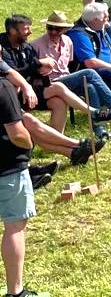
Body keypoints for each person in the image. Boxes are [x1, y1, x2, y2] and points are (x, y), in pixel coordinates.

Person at [0, 79, 38, 297]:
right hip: (7, 168)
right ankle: (15, 292)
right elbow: (17, 134)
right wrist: (30, 144)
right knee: (14, 226)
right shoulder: (3, 88)